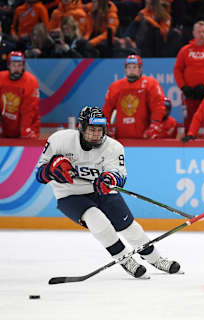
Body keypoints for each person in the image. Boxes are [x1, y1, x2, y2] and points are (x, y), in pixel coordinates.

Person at [35, 106, 181, 278]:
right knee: (97, 221)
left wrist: (109, 179)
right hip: (70, 194)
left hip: (101, 191)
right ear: (80, 128)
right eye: (91, 129)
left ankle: (156, 259)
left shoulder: (113, 147)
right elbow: (40, 174)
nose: (96, 134)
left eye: (100, 130)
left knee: (130, 228)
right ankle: (125, 260)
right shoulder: (59, 140)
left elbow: (119, 175)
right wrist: (51, 169)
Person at [103, 54, 167, 139]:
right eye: (129, 67)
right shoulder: (115, 86)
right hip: (121, 135)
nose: (131, 70)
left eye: (134, 67)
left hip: (144, 135)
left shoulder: (150, 84)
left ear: (140, 69)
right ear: (125, 69)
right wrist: (105, 126)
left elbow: (158, 106)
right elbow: (107, 109)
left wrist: (155, 124)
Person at [0, 51, 40, 138]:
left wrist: (25, 129)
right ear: (9, 66)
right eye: (14, 65)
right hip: (7, 127)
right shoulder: (1, 78)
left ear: (23, 66)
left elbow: (29, 109)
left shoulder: (31, 81)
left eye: (19, 65)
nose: (16, 68)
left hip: (28, 127)